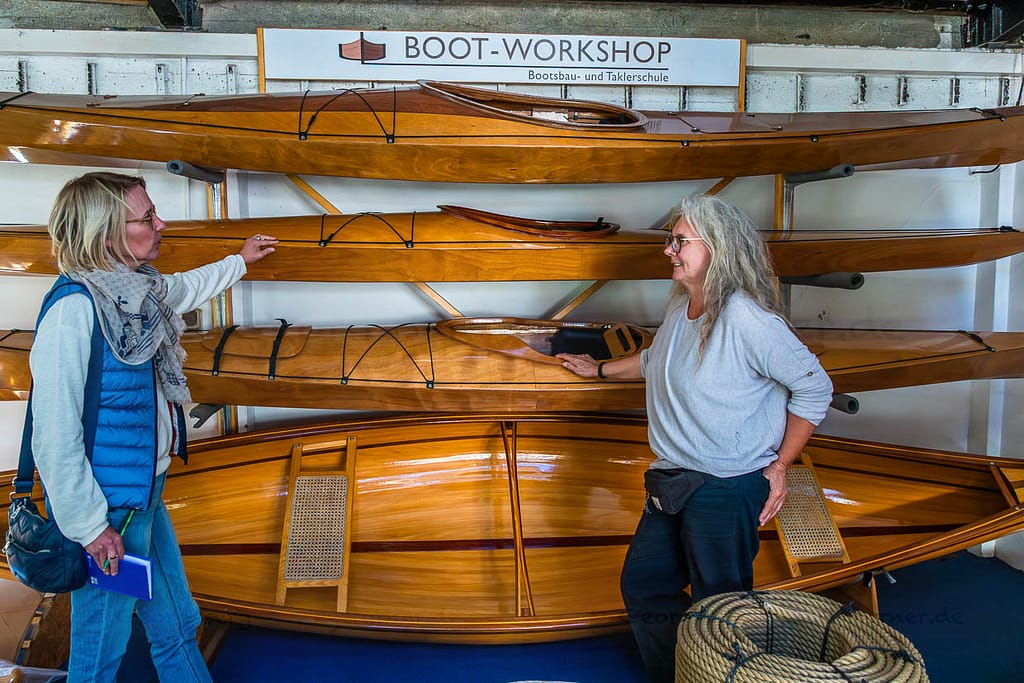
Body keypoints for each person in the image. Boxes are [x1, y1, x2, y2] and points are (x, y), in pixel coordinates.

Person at [558, 194, 833, 683]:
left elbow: (815, 388)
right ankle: (681, 674)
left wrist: (780, 466)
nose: (669, 250)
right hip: (673, 478)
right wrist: (597, 369)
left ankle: (723, 675)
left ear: (717, 248)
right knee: (645, 585)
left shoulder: (746, 319)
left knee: (720, 607)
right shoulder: (684, 308)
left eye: (680, 241)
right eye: (671, 240)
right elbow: (655, 360)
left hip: (726, 486)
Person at [26, 172, 278, 682]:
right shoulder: (74, 311)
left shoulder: (140, 292)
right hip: (110, 515)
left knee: (177, 627)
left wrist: (240, 261)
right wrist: (90, 528)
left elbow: (184, 288)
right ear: (106, 235)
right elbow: (53, 437)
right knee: (99, 656)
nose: (161, 224)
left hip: (144, 495)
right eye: (147, 218)